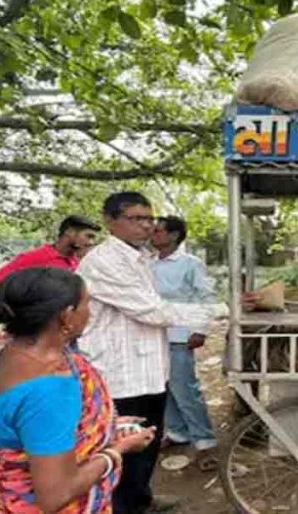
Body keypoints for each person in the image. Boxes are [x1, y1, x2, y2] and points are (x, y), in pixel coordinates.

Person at [0, 268, 155, 513]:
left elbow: (20, 427)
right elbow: (56, 495)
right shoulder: (50, 391)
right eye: (86, 304)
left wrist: (106, 424)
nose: (91, 312)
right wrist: (119, 449)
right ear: (67, 316)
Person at [79, 192, 225, 514]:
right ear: (110, 221)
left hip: (147, 369)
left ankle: (141, 501)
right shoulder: (104, 261)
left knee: (146, 444)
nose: (146, 226)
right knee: (120, 449)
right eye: (136, 219)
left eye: (150, 219)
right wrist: (221, 312)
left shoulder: (141, 258)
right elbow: (151, 311)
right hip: (118, 373)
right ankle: (122, 507)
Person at [150, 216, 219, 470]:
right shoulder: (147, 262)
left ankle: (205, 442)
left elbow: (206, 296)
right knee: (162, 388)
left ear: (174, 235)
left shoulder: (190, 264)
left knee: (186, 390)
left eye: (158, 231)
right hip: (153, 335)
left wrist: (200, 329)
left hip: (179, 335)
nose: (153, 234)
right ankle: (178, 433)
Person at [0, 215, 101, 293]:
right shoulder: (37, 257)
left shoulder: (76, 262)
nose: (91, 242)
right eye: (88, 236)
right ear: (69, 232)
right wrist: (23, 308)